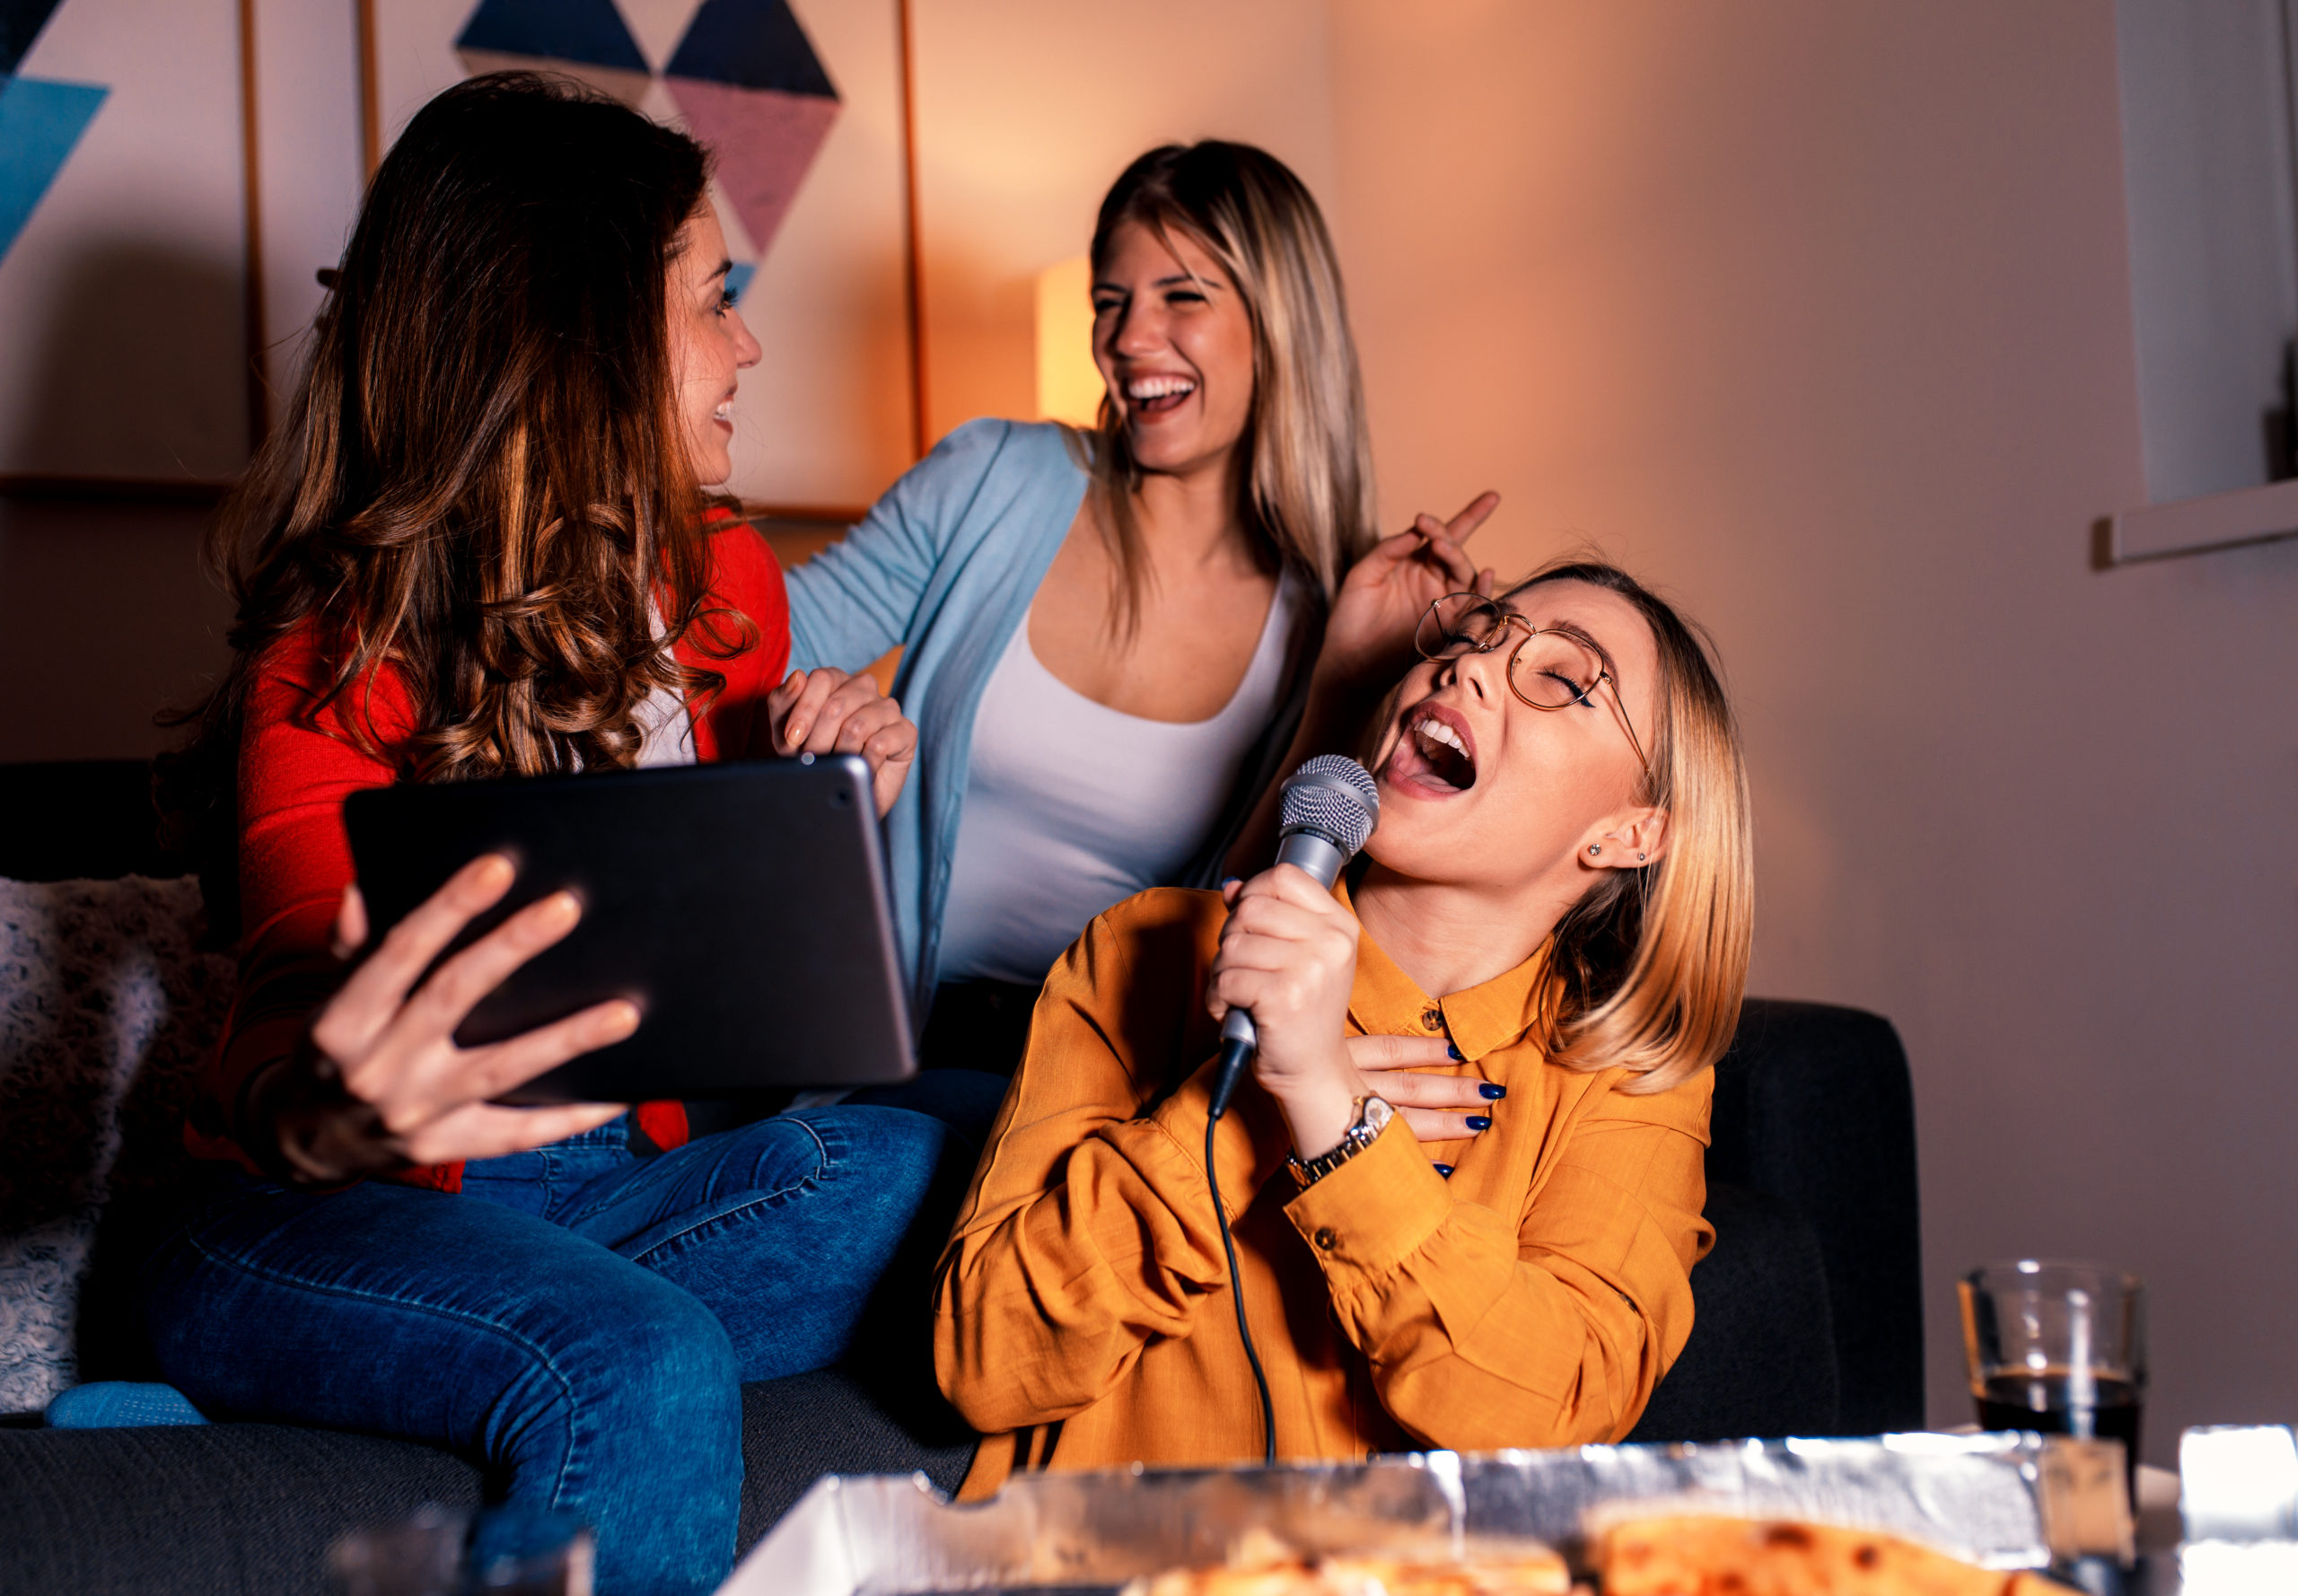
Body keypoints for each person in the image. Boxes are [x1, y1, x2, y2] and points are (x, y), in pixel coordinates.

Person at [142, 75, 961, 1596]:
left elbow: (740, 1060)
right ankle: (391, 1351)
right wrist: (344, 1109)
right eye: (716, 299)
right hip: (313, 1210)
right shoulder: (329, 668)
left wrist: (824, 823)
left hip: (606, 1188)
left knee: (969, 1160)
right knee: (642, 1359)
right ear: (579, 342)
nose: (748, 345)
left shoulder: (728, 594)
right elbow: (285, 1030)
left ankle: (488, 1340)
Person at [931, 560, 1753, 1496]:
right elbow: (984, 1354)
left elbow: (1546, 1411)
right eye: (1474, 633)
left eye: (1563, 678)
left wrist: (1335, 1112)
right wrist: (1243, 1120)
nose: (1466, 668)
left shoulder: (1631, 1080)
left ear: (1630, 833)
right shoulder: (1143, 950)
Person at [781, 140, 1501, 1073]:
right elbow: (754, 644)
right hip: (894, 1053)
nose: (1126, 339)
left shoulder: (1331, 612)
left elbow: (1247, 916)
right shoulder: (993, 476)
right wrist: (819, 724)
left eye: (1181, 296)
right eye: (1110, 303)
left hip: (1112, 1080)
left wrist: (1351, 676)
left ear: (1279, 321)